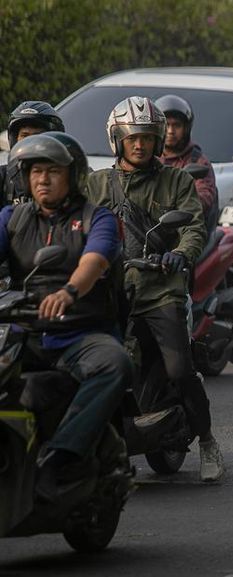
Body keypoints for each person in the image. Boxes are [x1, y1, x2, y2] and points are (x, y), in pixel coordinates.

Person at [86, 96, 225, 483]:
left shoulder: (177, 180)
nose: (140, 145)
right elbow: (77, 228)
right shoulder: (97, 183)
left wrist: (181, 253)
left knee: (180, 369)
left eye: (147, 137)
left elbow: (193, 227)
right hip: (110, 291)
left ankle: (209, 442)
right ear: (117, 140)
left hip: (159, 289)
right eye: (132, 138)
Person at [2, 132, 131, 501]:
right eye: (35, 171)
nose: (42, 179)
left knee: (114, 363)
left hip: (79, 334)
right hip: (22, 332)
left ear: (72, 176)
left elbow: (96, 259)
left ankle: (63, 457)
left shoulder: (97, 218)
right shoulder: (12, 219)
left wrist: (68, 292)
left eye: (52, 171)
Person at [155, 94, 219, 232]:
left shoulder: (198, 161)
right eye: (166, 125)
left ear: (186, 128)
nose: (171, 131)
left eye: (176, 125)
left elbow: (205, 197)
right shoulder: (148, 157)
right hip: (152, 228)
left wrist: (176, 204)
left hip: (188, 229)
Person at [1, 101, 65, 206]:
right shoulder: (3, 177)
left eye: (37, 135)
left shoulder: (72, 175)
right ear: (15, 139)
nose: (30, 142)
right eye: (25, 135)